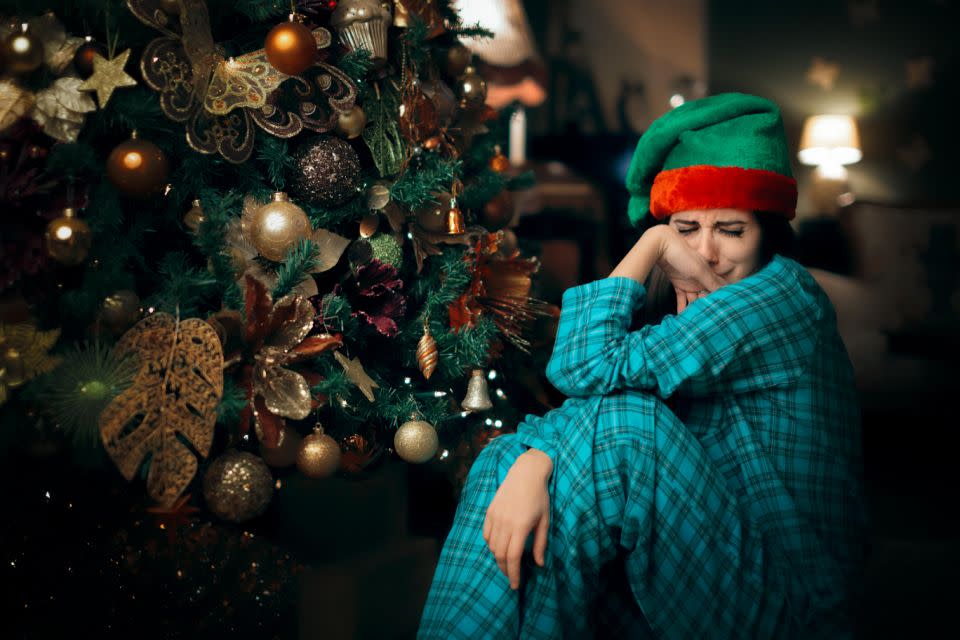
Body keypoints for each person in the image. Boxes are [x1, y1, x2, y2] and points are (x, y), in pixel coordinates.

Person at [417, 93, 870, 639]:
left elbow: (582, 367)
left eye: (731, 230)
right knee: (507, 465)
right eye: (684, 230)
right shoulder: (681, 323)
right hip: (699, 570)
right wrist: (533, 461)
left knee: (626, 429)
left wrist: (654, 240)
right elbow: (590, 395)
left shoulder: (782, 296)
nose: (705, 255)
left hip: (788, 605)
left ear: (767, 233)